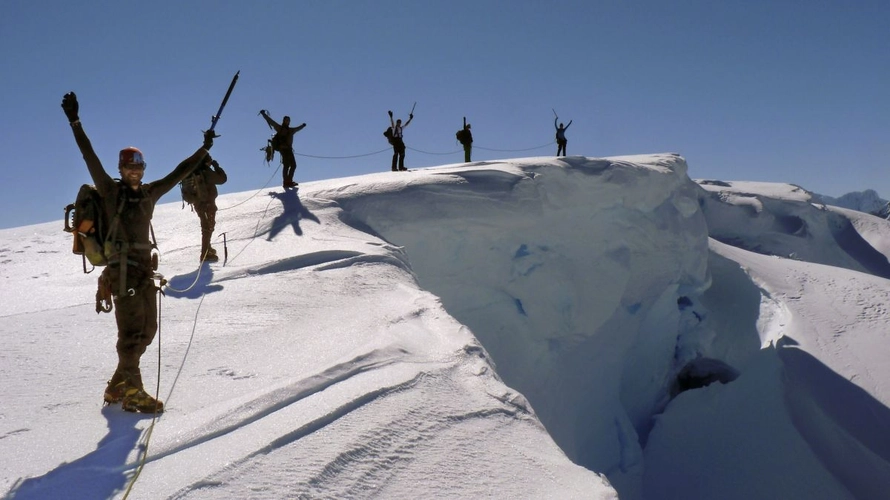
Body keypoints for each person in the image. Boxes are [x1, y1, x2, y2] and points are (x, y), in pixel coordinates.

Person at [61, 91, 217, 413]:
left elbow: (180, 171)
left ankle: (118, 385)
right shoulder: (110, 191)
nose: (134, 171)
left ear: (143, 169)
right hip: (121, 273)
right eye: (129, 166)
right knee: (131, 334)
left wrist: (204, 149)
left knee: (148, 331)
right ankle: (134, 393)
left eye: (139, 166)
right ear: (121, 168)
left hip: (145, 272)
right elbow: (89, 156)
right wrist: (75, 122)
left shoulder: (149, 194)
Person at [185, 155, 228, 262]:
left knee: (207, 225)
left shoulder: (194, 171)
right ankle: (204, 255)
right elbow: (222, 179)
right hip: (208, 204)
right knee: (208, 227)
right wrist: (216, 166)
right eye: (209, 161)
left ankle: (207, 249)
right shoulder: (205, 171)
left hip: (198, 204)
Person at [259, 110, 306, 188]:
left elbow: (297, 128)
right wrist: (263, 114)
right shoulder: (279, 128)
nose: (287, 121)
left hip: (289, 150)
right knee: (287, 165)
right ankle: (286, 182)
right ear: (283, 121)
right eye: (286, 120)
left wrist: (303, 126)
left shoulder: (291, 130)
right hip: (283, 150)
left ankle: (289, 180)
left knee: (293, 165)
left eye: (288, 120)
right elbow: (270, 121)